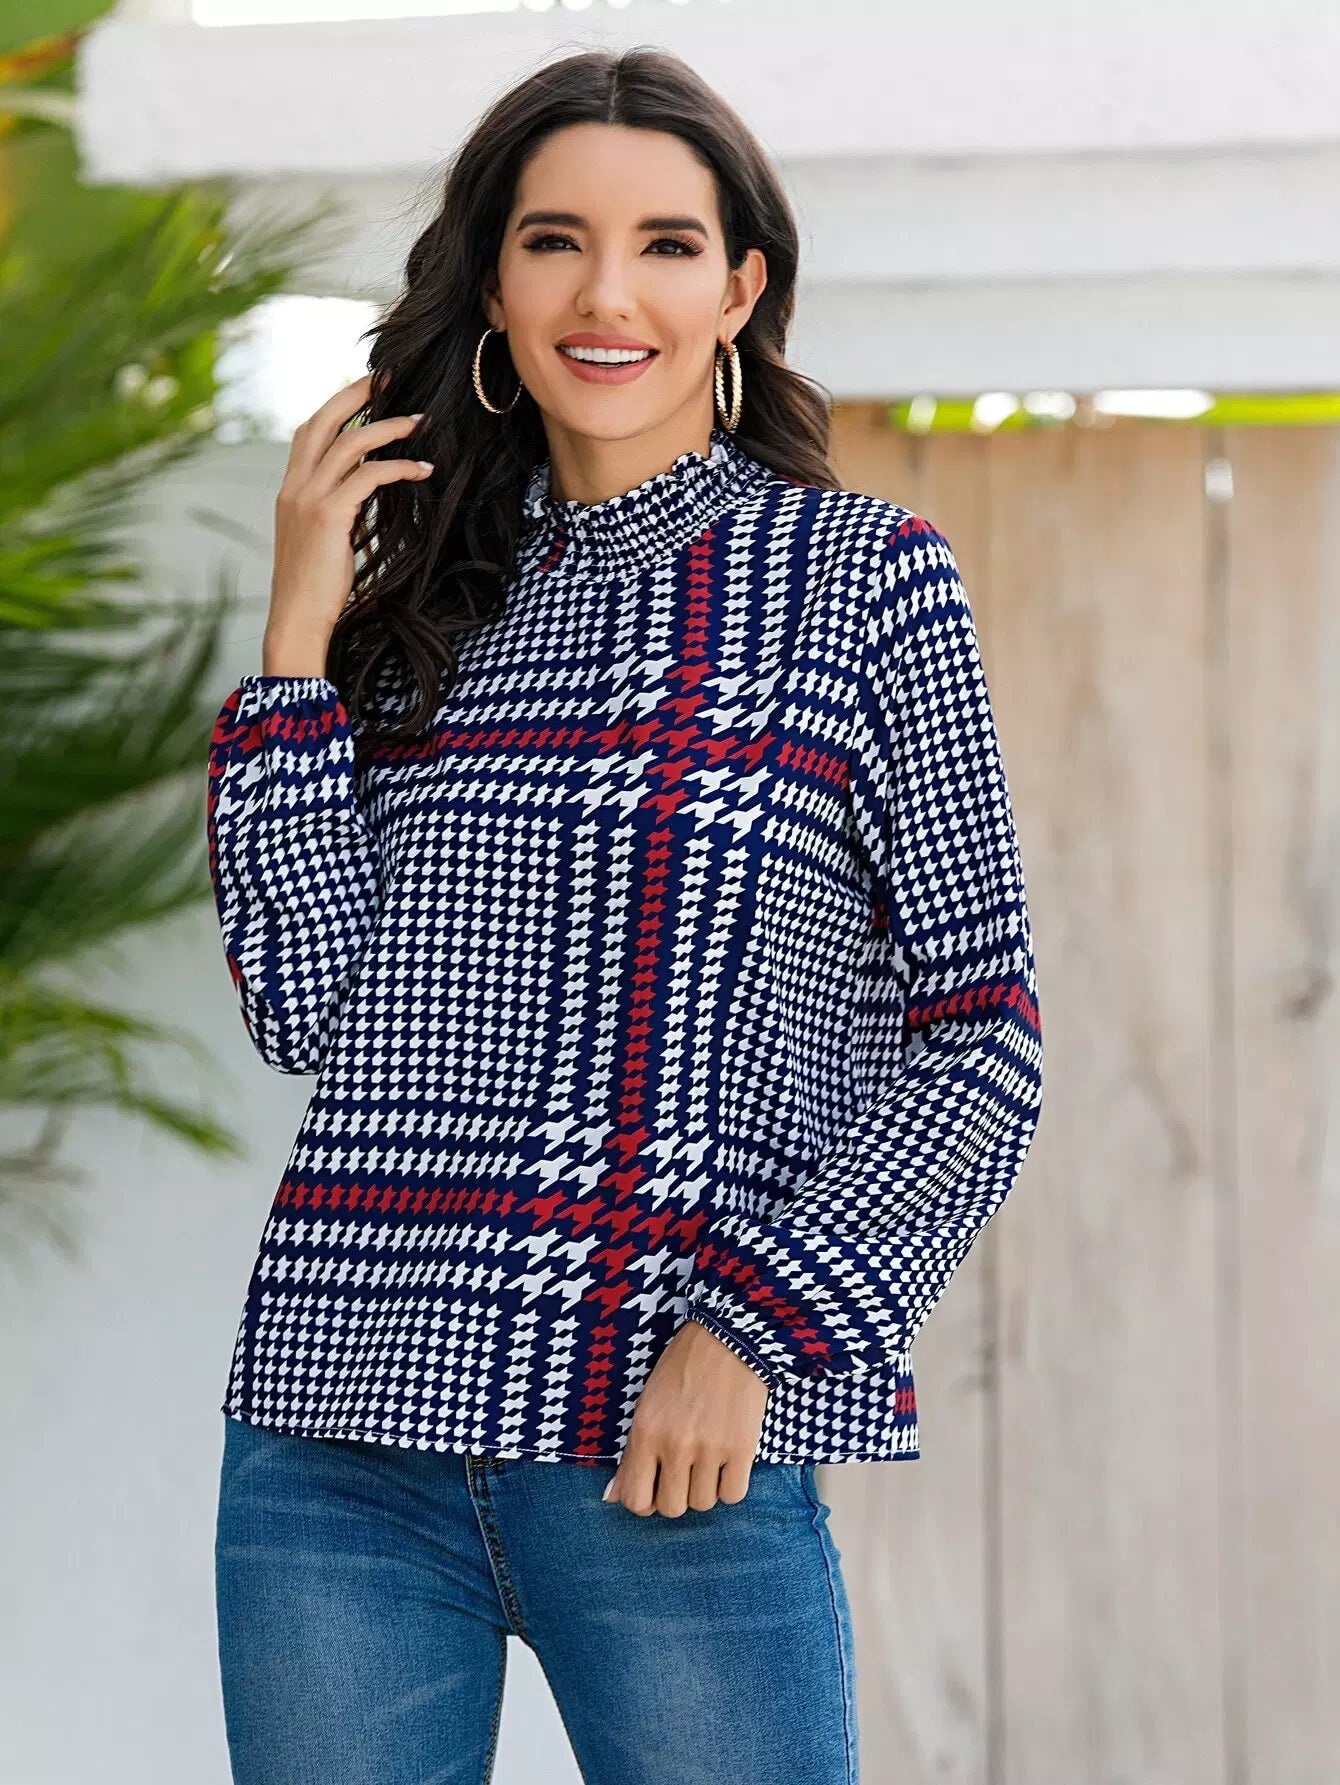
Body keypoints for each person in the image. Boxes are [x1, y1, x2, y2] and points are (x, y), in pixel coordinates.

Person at [206, 45, 1044, 1785]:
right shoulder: (419, 615)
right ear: (491, 289)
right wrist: (296, 641)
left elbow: (984, 1037)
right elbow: (306, 1011)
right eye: (554, 242)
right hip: (340, 1440)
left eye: (666, 244)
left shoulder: (862, 578)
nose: (607, 294)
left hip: (673, 1451)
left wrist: (762, 1324)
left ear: (739, 290)